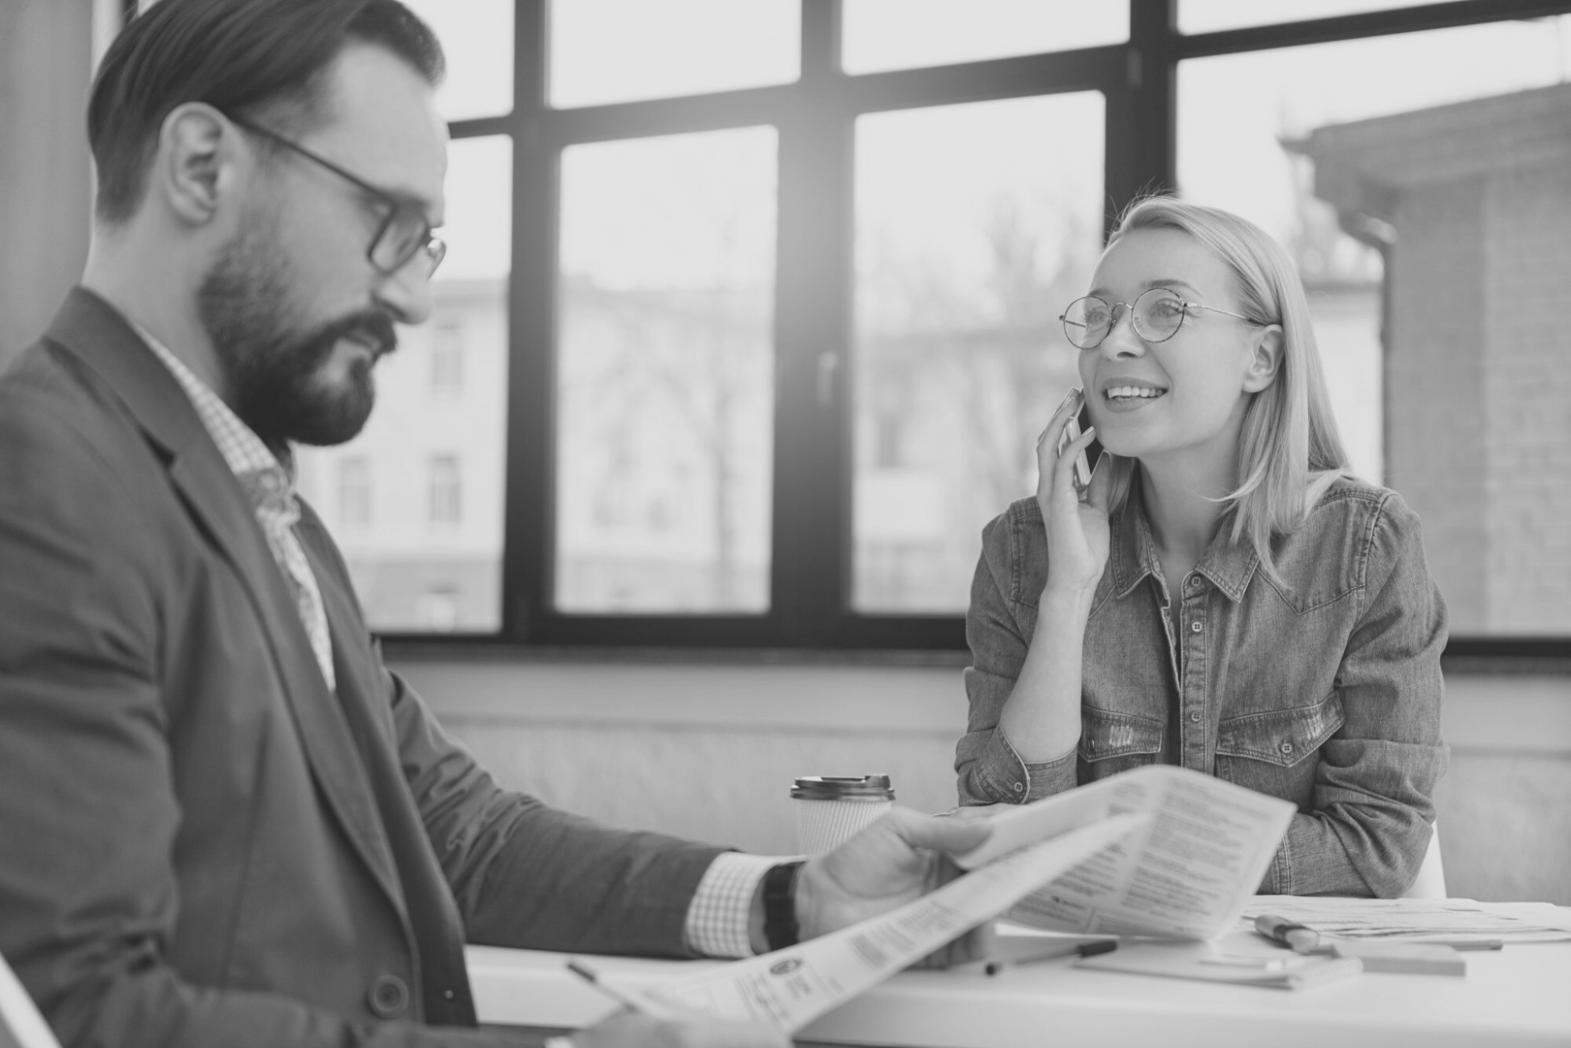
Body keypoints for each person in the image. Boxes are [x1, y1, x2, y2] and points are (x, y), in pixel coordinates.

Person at [0, 3, 992, 1047]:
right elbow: (81, 1014)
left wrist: (791, 899)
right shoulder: (43, 481)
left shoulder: (256, 500)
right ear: (202, 166)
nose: (418, 300)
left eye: (425, 241)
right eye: (384, 220)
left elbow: (451, 833)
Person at [955, 196, 1447, 898]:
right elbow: (1002, 831)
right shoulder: (1021, 550)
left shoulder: (1365, 548)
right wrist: (1067, 593)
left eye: (1164, 310)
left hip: (1293, 987)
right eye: (1098, 314)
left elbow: (1376, 847)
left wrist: (1126, 855)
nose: (1113, 343)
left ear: (1261, 358)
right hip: (1088, 982)